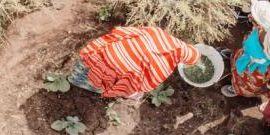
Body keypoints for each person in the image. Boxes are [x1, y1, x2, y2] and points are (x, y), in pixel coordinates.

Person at [68, 26, 200, 99]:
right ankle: (80, 84)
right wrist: (134, 92)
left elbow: (125, 31)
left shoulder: (157, 33)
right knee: (103, 81)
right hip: (114, 66)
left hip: (105, 52)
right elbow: (147, 82)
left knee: (87, 66)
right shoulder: (163, 65)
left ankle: (74, 77)